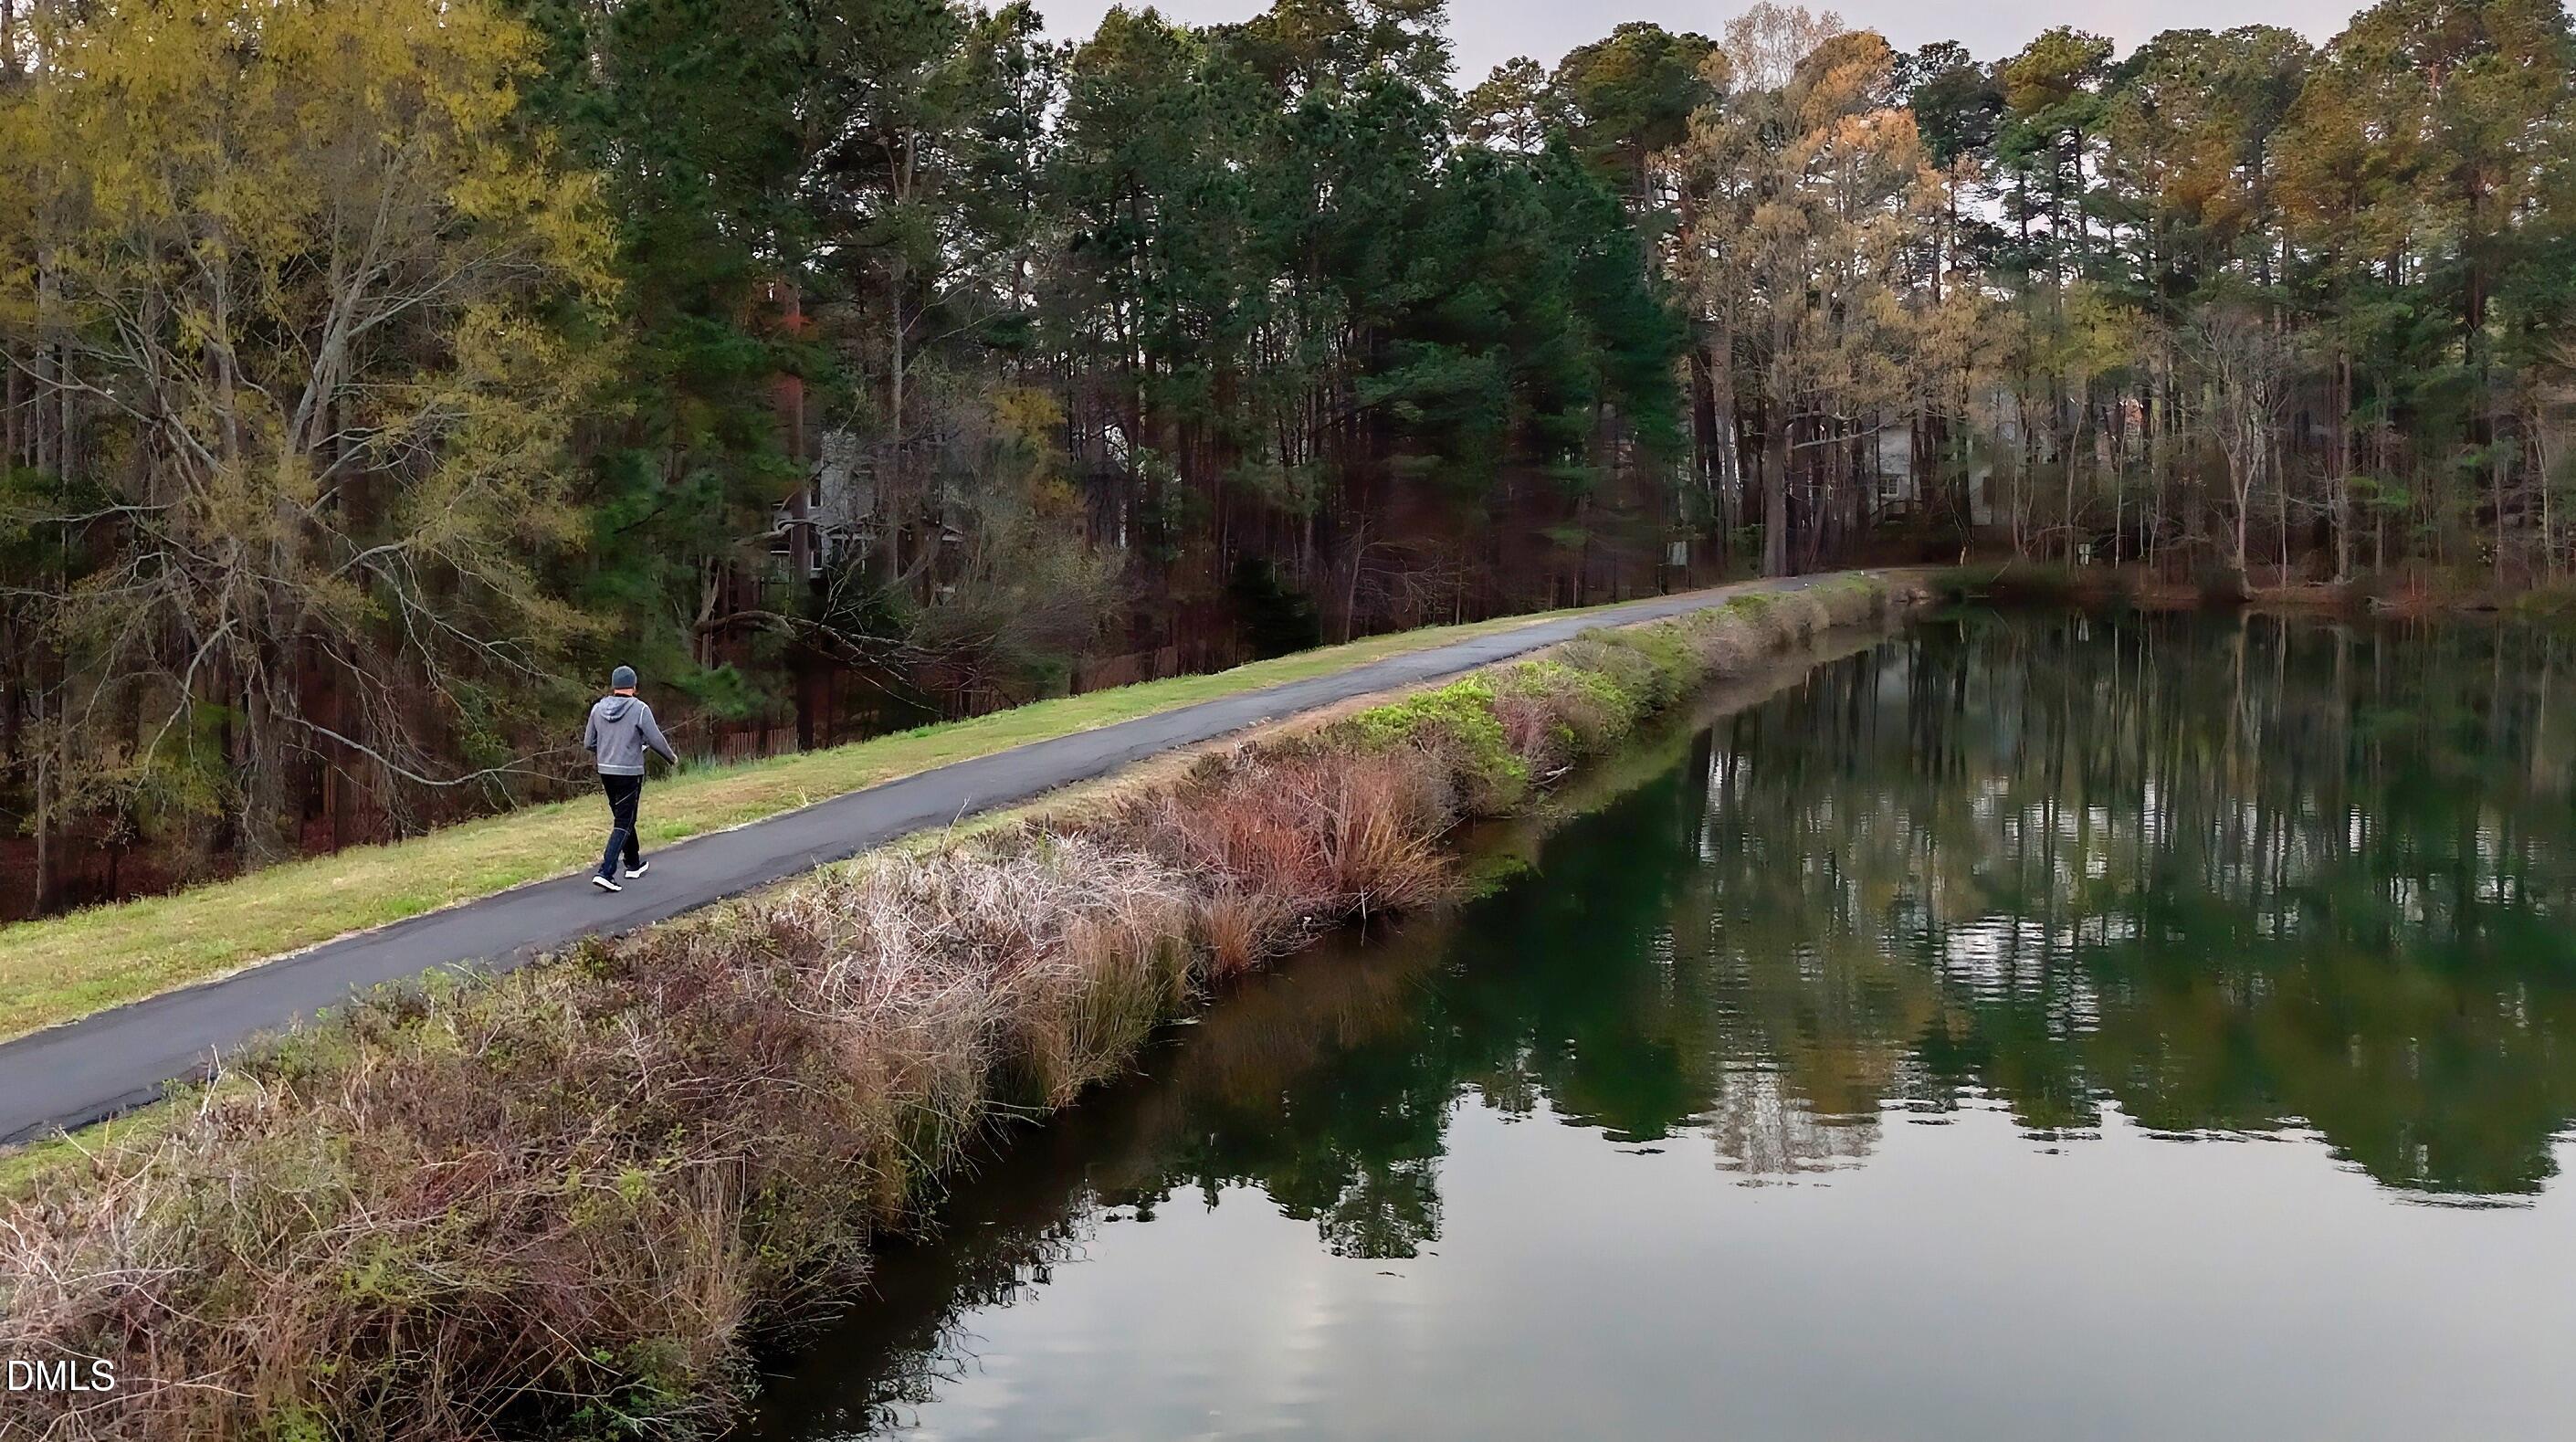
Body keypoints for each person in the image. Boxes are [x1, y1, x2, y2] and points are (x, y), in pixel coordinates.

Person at [584, 665, 678, 893]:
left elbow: (589, 743)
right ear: (634, 687)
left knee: (624, 816)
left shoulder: (597, 709)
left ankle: (633, 863)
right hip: (629, 771)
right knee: (624, 822)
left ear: (614, 686)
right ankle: (606, 872)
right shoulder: (639, 709)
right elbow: (655, 738)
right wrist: (671, 758)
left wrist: (608, 749)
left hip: (606, 771)